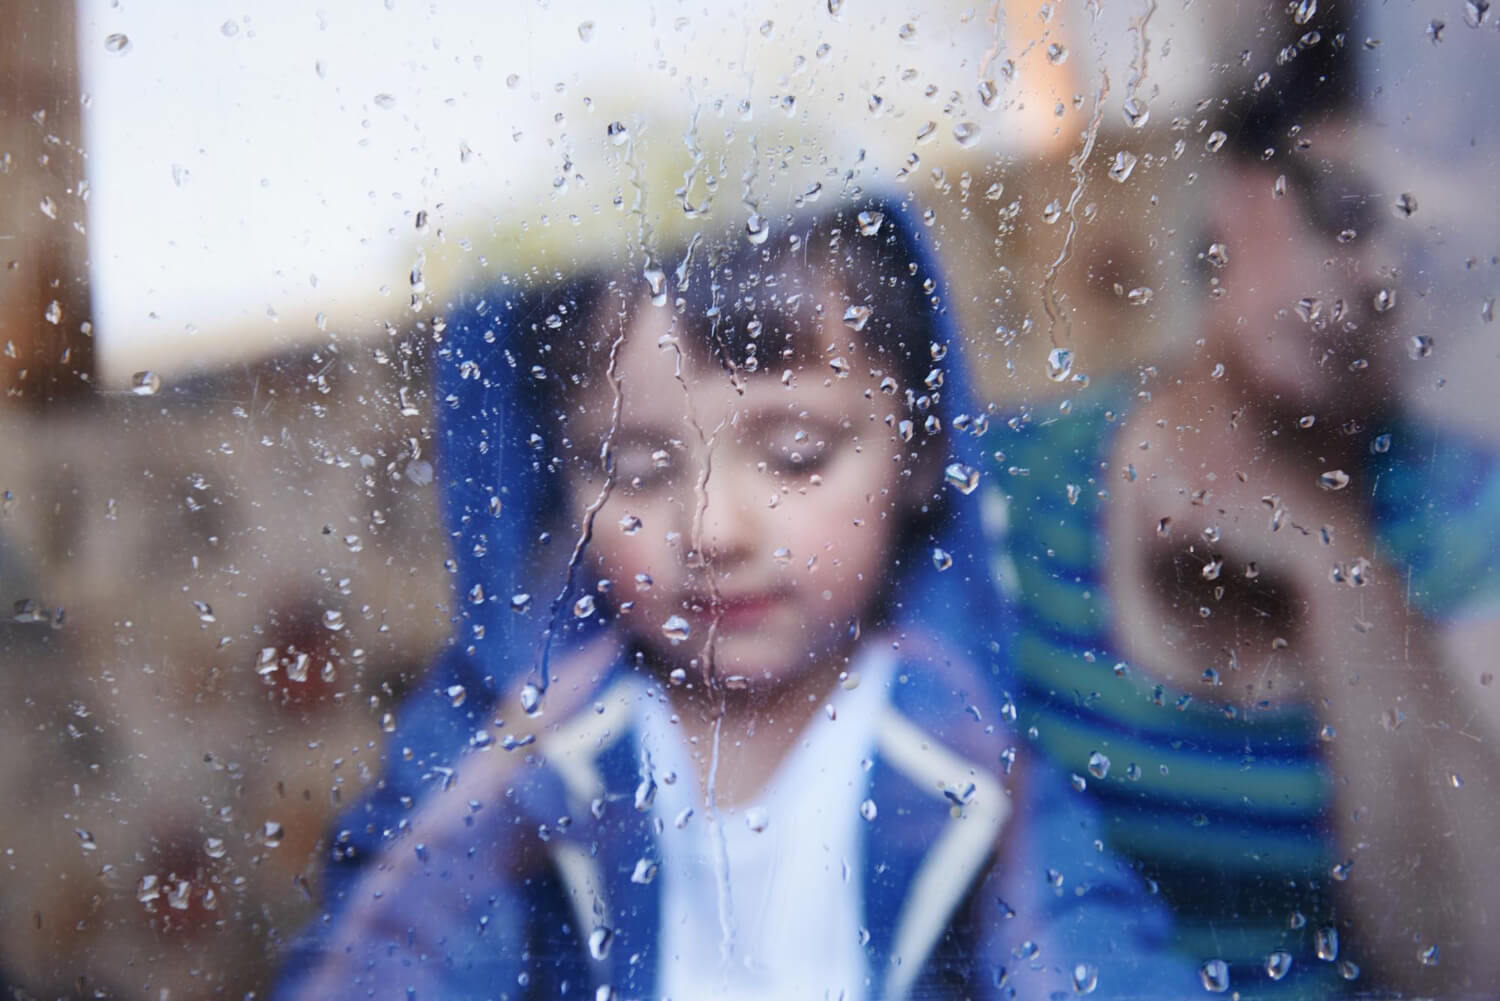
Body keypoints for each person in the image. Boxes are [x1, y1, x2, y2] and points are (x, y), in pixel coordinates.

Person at [273, 199, 1197, 1000]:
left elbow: (1094, 957)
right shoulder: (513, 729)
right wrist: (494, 789)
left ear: (920, 455)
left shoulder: (958, 742)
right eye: (635, 470)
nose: (712, 529)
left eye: (796, 455)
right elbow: (380, 957)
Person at [990, 8, 1500, 997]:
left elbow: (1472, 961)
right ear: (1230, 189)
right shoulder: (1015, 479)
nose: (1378, 274)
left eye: (1429, 255)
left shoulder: (1466, 518)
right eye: (1345, 211)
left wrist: (1337, 568)